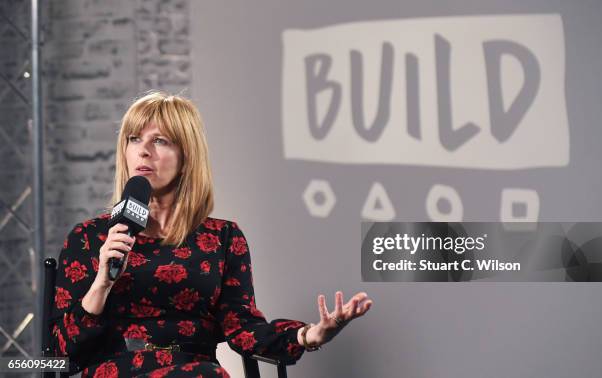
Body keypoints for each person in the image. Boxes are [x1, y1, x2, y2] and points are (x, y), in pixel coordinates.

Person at [51, 91, 373, 377]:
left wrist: (309, 336)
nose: (143, 151)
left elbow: (243, 328)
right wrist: (102, 284)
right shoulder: (90, 237)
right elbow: (62, 352)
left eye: (160, 140)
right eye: (134, 139)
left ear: (186, 156)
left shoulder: (223, 238)